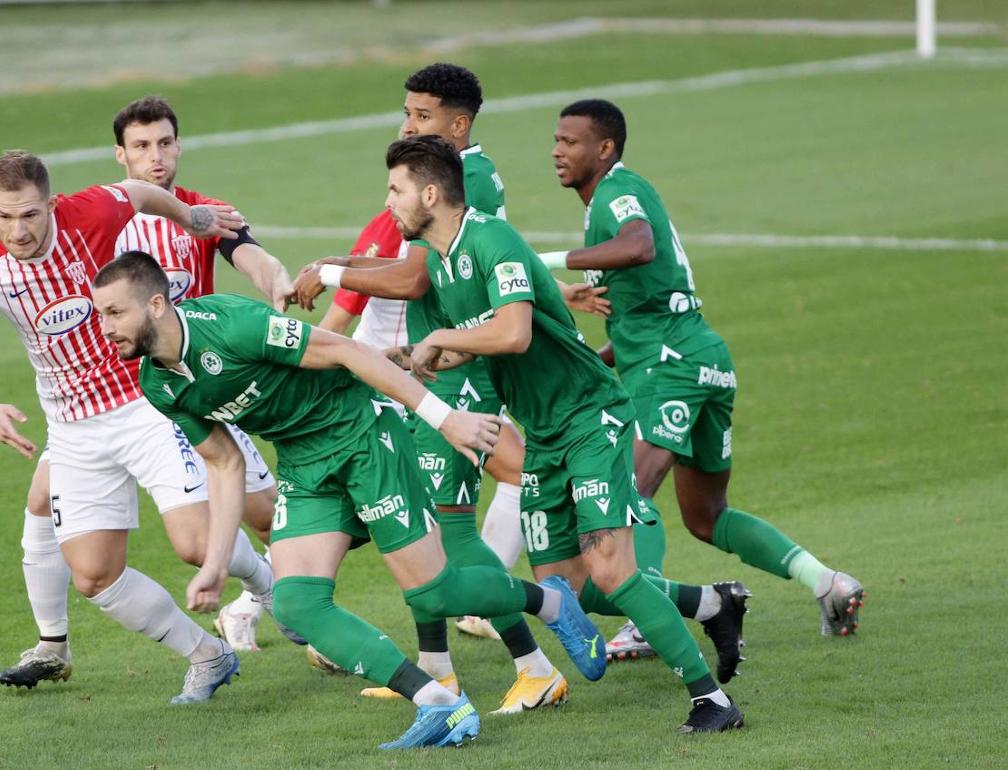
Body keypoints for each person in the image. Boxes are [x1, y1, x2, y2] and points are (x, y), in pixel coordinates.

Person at [91, 251, 610, 749]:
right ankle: (438, 705)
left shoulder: (231, 326)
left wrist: (445, 419)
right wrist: (216, 562)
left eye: (115, 312)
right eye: (100, 315)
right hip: (304, 463)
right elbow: (225, 463)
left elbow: (348, 350)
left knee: (436, 594)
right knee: (297, 603)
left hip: (362, 434)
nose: (106, 327)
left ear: (156, 305)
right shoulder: (158, 384)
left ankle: (552, 601)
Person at [384, 135, 746, 733]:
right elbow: (479, 350)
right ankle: (713, 603)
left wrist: (443, 340)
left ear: (430, 193)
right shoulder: (445, 264)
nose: (389, 202)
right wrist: (405, 360)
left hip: (590, 416)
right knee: (565, 590)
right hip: (545, 432)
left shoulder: (490, 240)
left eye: (396, 189)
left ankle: (712, 700)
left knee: (610, 569)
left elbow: (514, 333)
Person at [296, 62, 601, 713]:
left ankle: (537, 660)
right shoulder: (443, 193)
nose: (409, 125)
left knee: (450, 537)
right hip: (428, 372)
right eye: (407, 114)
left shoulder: (470, 185)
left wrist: (330, 271)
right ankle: (439, 669)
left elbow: (416, 280)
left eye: (422, 117)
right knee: (422, 530)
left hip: (458, 379)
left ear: (457, 125)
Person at [0, 150, 267, 705]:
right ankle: (208, 654)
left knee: (197, 545)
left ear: (52, 204)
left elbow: (140, 193)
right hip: (73, 429)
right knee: (92, 576)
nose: (18, 230)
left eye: (31, 215)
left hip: (146, 404)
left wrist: (191, 219)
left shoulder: (92, 211)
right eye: (5, 216)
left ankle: (264, 583)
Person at [541, 99, 865, 651]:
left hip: (672, 369)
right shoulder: (610, 203)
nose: (557, 151)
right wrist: (592, 365)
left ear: (605, 148)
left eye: (570, 142)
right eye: (556, 140)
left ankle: (648, 615)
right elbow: (644, 315)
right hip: (699, 358)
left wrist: (547, 259)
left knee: (625, 493)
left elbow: (639, 247)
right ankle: (826, 582)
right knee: (705, 516)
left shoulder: (619, 193)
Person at [12, 96, 297, 669]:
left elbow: (250, 254)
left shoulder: (200, 212)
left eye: (165, 143)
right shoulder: (94, 217)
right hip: (98, 401)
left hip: (186, 391)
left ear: (179, 145)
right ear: (120, 154)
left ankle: (288, 606)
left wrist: (277, 281)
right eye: (141, 146)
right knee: (42, 498)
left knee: (264, 515)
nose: (156, 157)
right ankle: (51, 642)